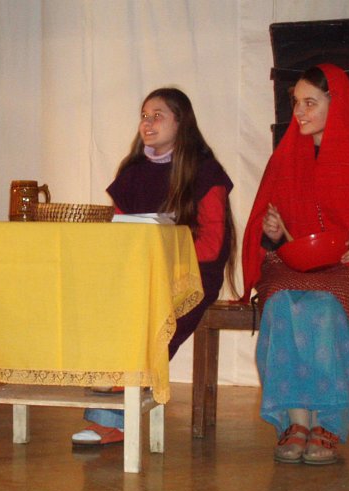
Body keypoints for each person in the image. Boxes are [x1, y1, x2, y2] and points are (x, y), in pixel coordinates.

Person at [241, 64, 349, 465]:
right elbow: (270, 235)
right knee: (280, 303)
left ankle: (328, 423)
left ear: (337, 104)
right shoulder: (285, 158)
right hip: (293, 264)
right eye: (296, 103)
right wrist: (273, 231)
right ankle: (296, 421)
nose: (299, 112)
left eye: (310, 103)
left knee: (326, 307)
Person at [71, 87, 236, 446]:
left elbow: (213, 245)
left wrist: (163, 253)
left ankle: (112, 420)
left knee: (144, 321)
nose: (148, 122)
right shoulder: (132, 172)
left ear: (181, 121)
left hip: (191, 277)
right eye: (144, 116)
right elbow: (120, 234)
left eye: (157, 115)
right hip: (140, 274)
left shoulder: (205, 172)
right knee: (103, 310)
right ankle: (110, 411)